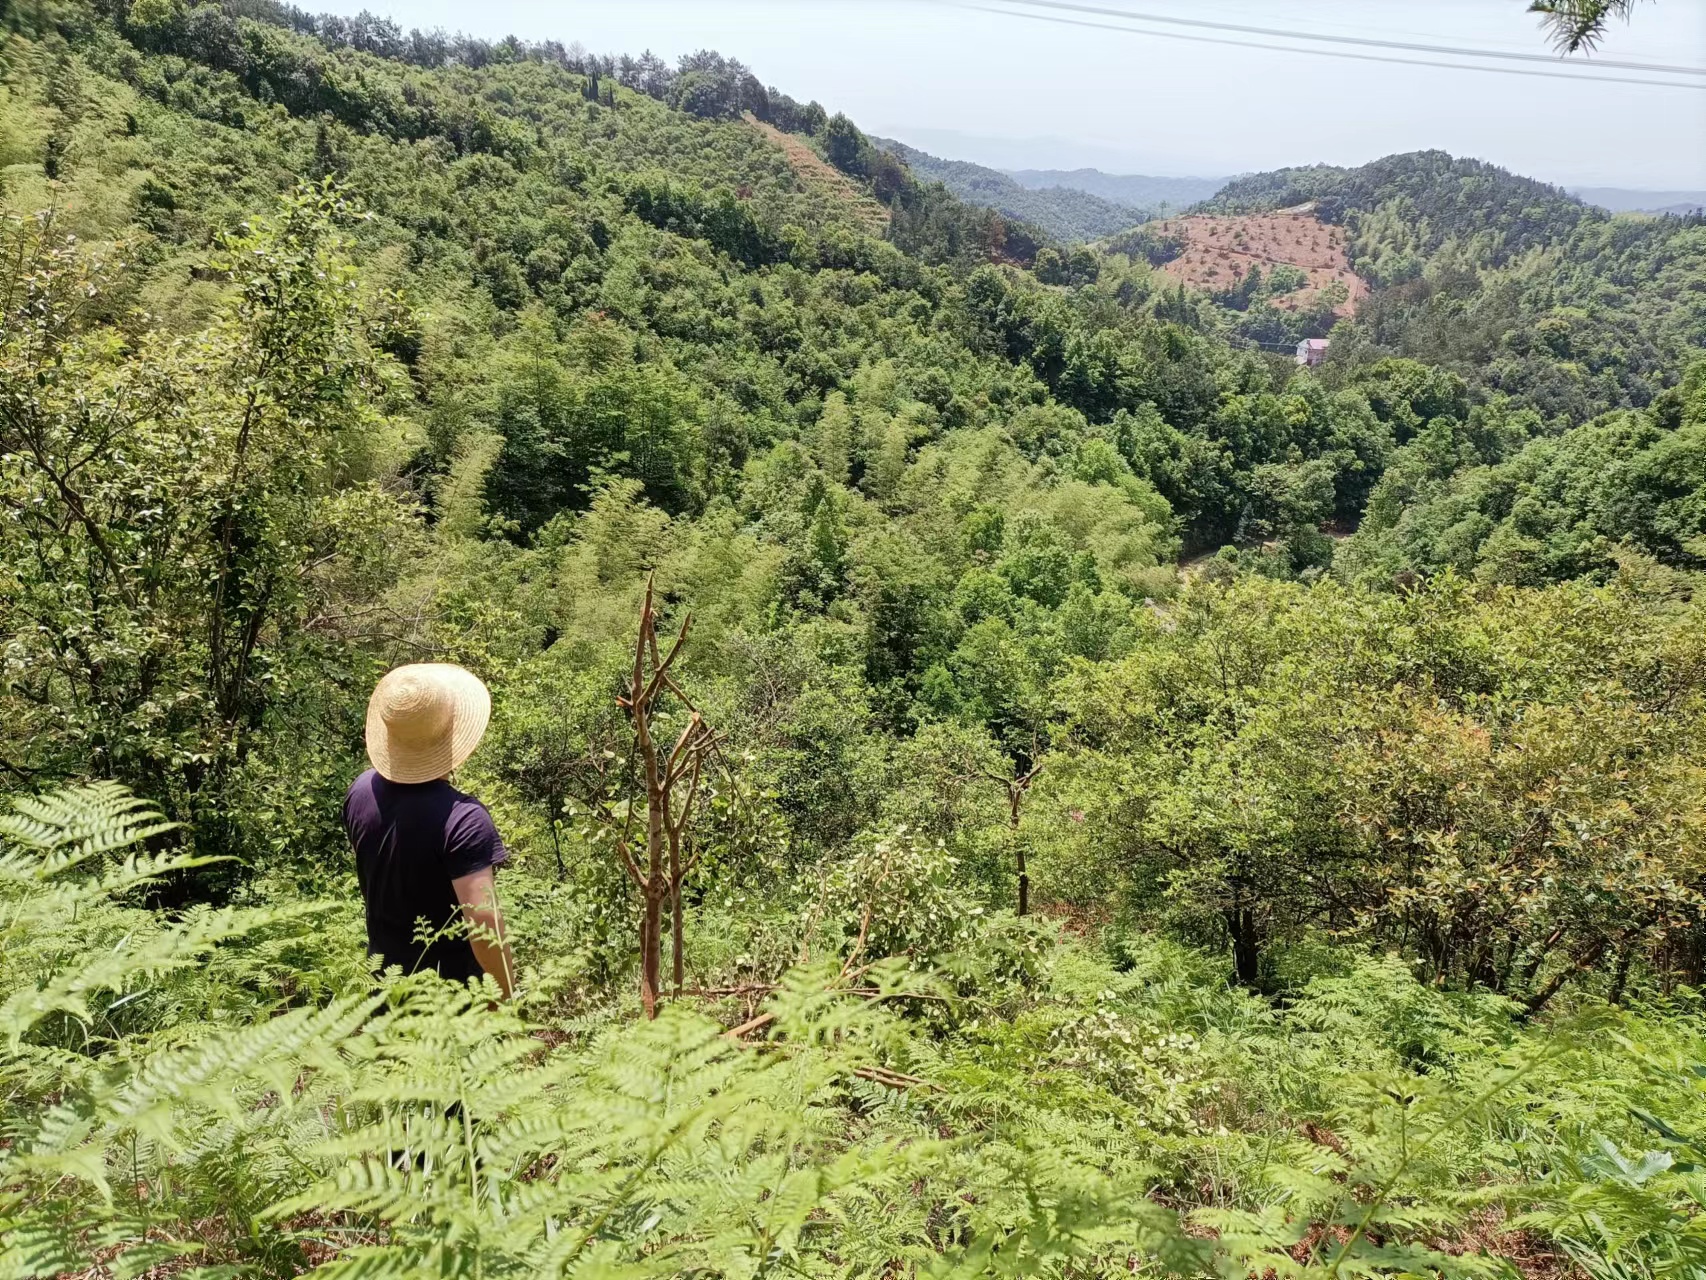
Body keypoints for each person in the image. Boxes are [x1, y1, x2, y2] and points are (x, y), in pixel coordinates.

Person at [343, 662, 516, 996]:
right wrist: (505, 999)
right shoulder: (464, 820)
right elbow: (484, 927)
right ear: (451, 733)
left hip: (383, 989)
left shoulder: (360, 791)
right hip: (450, 1003)